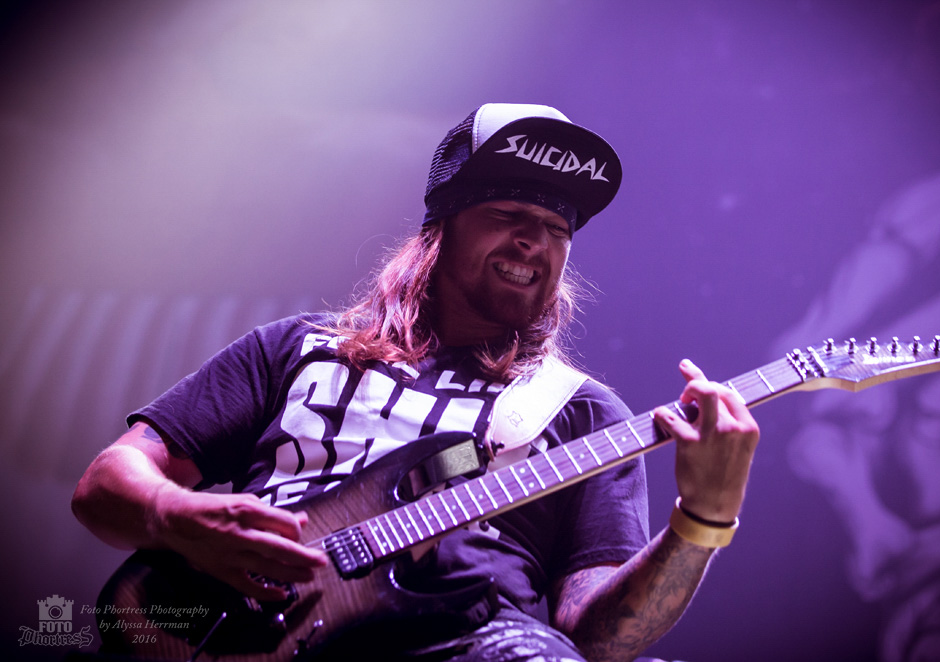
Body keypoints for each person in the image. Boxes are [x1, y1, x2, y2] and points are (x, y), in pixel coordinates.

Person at [72, 103, 760, 662]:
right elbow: (106, 484)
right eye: (507, 215)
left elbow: (600, 638)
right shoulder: (300, 348)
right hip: (222, 628)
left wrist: (701, 521)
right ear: (441, 230)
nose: (534, 241)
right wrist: (174, 518)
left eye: (556, 228)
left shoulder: (581, 413)